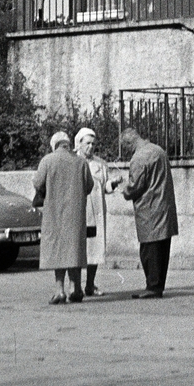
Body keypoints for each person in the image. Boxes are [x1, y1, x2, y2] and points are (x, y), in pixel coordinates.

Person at [32, 130, 93, 305]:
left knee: (58, 250)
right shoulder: (81, 162)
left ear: (54, 145)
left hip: (54, 214)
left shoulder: (48, 160)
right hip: (76, 214)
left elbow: (37, 183)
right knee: (74, 249)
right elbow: (89, 186)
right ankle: (76, 288)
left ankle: (59, 291)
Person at [119, 126, 178, 298]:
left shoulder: (138, 158)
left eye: (127, 148)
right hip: (164, 206)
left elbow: (136, 186)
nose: (128, 151)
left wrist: (125, 190)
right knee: (162, 249)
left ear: (130, 143)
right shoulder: (159, 150)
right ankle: (158, 285)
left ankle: (152, 286)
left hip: (149, 209)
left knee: (148, 250)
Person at [74, 126, 120, 296]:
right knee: (79, 249)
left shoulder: (101, 163)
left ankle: (90, 284)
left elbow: (105, 187)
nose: (91, 147)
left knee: (94, 248)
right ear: (79, 144)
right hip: (81, 211)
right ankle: (76, 285)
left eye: (93, 144)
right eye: (87, 143)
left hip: (97, 211)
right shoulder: (74, 162)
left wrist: (113, 183)